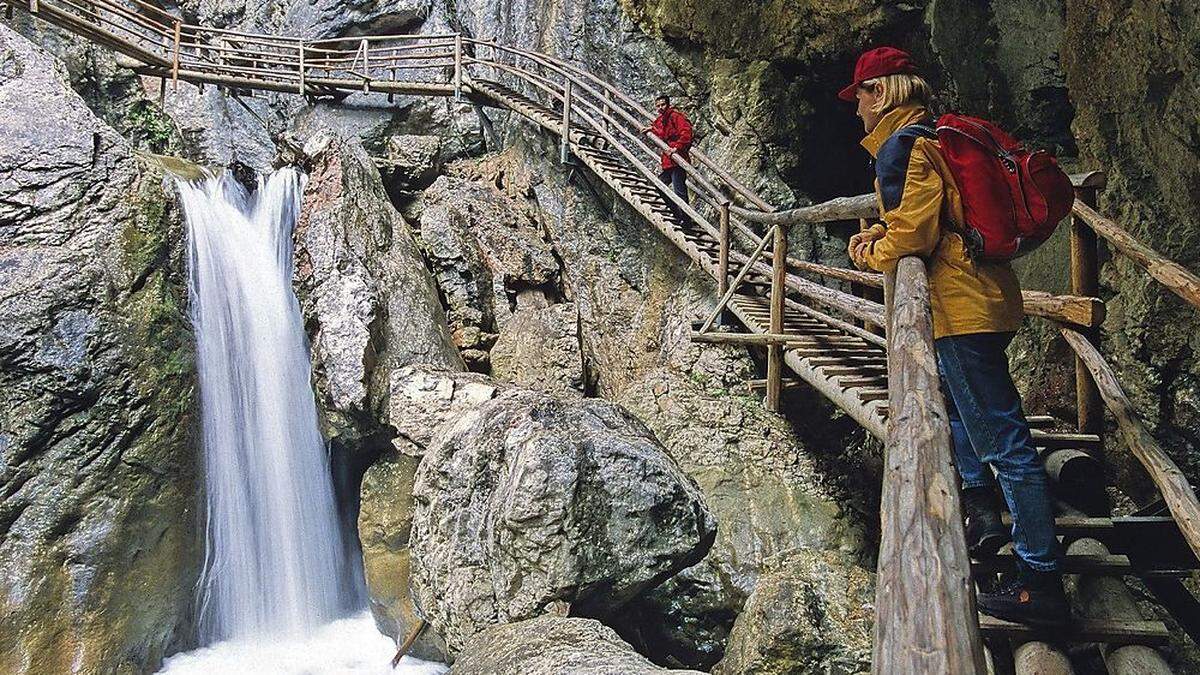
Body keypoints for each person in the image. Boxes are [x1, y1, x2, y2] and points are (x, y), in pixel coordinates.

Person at [840, 47, 1068, 626]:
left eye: (861, 95)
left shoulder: (907, 147)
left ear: (882, 93)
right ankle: (986, 516)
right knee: (968, 417)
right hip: (983, 297)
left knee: (1006, 442)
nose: (857, 109)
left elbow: (911, 233)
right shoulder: (933, 136)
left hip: (959, 307)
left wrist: (867, 249)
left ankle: (1040, 581)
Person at [642, 94, 693, 209]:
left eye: (663, 104)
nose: (660, 107)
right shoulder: (661, 119)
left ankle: (685, 220)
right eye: (658, 106)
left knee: (679, 190)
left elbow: (686, 132)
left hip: (677, 158)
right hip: (668, 160)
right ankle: (677, 214)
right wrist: (651, 129)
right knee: (660, 186)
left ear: (668, 104)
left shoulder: (675, 116)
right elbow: (661, 132)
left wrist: (677, 147)